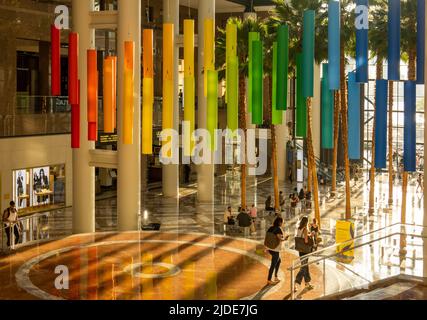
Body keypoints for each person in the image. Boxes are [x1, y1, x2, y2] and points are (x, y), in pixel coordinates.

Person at [265, 217, 288, 285]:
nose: (283, 223)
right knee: (273, 265)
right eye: (282, 222)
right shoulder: (279, 229)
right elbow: (280, 239)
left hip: (269, 248)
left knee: (279, 261)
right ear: (280, 222)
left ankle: (276, 276)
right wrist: (285, 239)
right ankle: (269, 279)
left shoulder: (270, 228)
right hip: (275, 249)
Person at [294, 217, 314, 291]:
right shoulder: (305, 229)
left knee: (305, 266)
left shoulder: (299, 228)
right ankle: (296, 283)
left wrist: (308, 234)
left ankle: (307, 283)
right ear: (306, 222)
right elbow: (306, 241)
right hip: (305, 250)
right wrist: (311, 235)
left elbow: (300, 237)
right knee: (303, 267)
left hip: (300, 250)